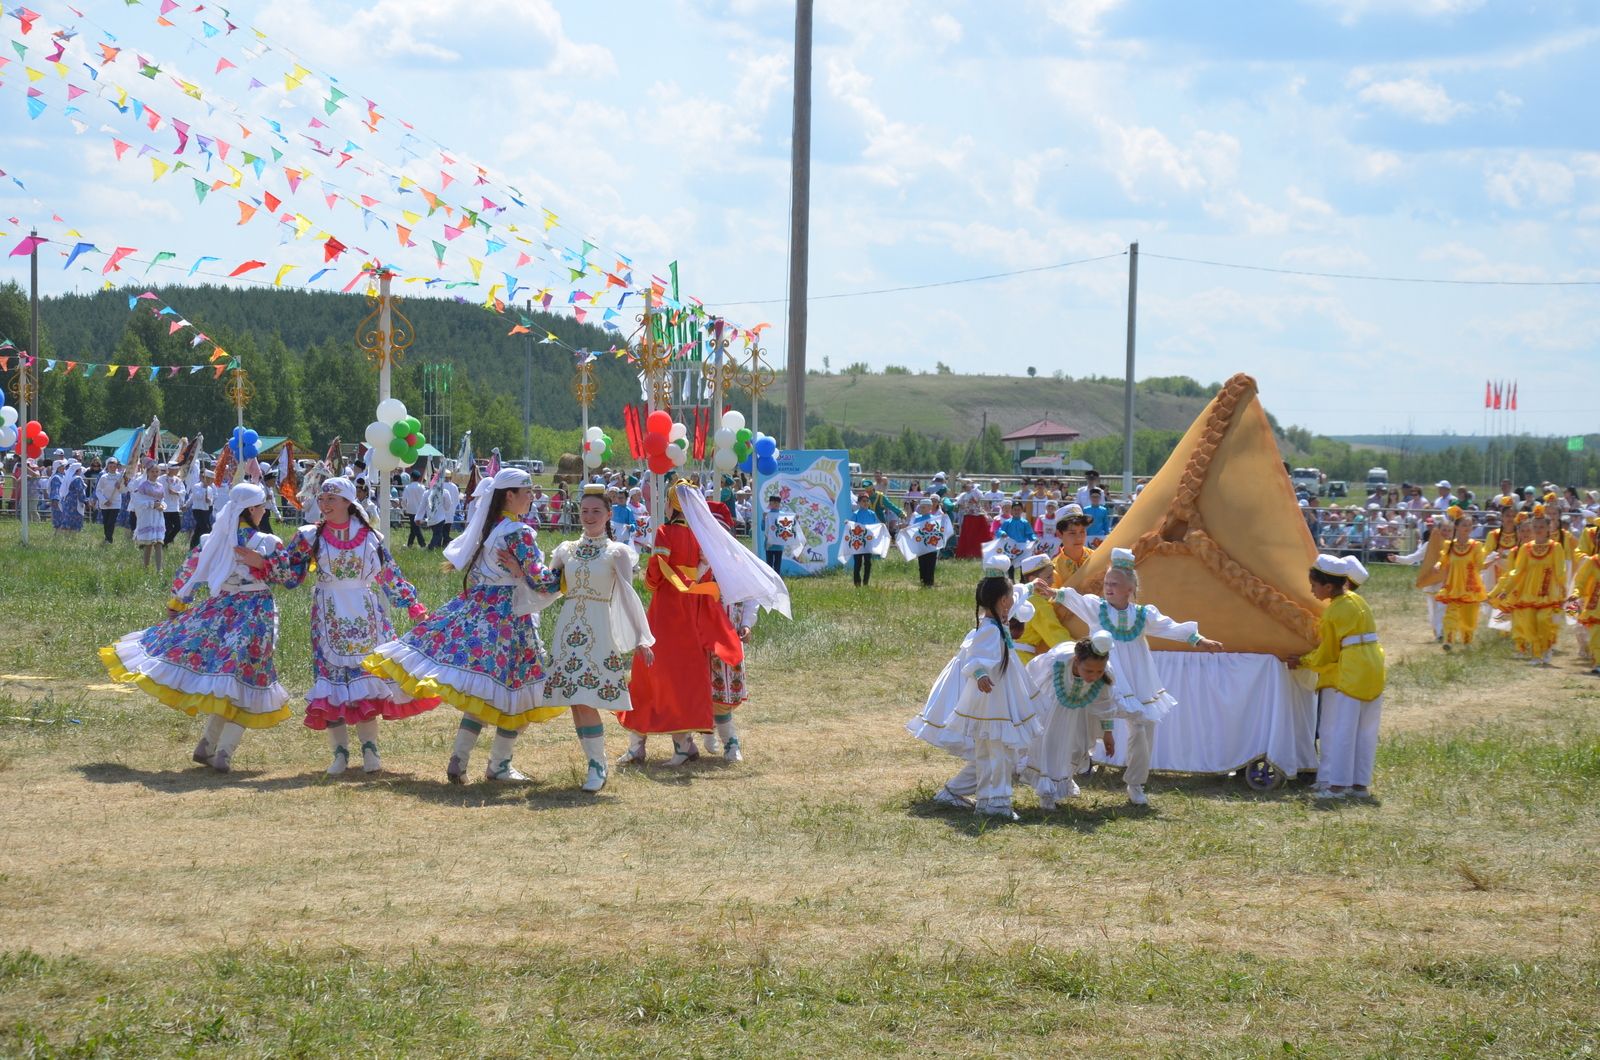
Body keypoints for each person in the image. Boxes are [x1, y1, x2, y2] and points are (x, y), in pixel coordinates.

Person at [366, 468, 562, 783]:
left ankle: (459, 757)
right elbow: (541, 582)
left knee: (484, 693)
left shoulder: (492, 528)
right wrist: (565, 570)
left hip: (480, 612)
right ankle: (499, 765)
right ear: (509, 496)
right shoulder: (519, 532)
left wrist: (517, 573)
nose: (532, 496)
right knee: (519, 694)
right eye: (526, 491)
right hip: (510, 619)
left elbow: (481, 577)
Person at [98, 482, 294, 772]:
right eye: (262, 505)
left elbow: (190, 572)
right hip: (255, 612)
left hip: (221, 609)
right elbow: (287, 576)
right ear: (251, 509)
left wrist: (177, 604)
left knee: (228, 678)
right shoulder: (267, 542)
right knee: (251, 678)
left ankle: (207, 744)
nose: (264, 510)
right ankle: (224, 752)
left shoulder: (214, 539)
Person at [276, 478, 440, 776]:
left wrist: (413, 605)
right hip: (327, 612)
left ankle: (370, 749)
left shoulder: (370, 537)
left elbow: (390, 574)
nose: (324, 504)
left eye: (331, 499)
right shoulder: (309, 536)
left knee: (367, 680)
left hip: (366, 613)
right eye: (322, 499)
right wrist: (263, 562)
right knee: (330, 681)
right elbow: (289, 575)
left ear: (348, 502)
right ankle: (339, 752)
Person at [620, 480, 789, 767]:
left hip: (668, 609)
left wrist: (658, 580)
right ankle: (681, 743)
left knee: (651, 671)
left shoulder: (665, 532)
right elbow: (705, 577)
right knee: (682, 677)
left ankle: (652, 745)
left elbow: (654, 577)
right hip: (695, 609)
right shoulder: (705, 540)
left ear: (671, 503)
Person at [1040, 548, 1224, 806]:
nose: (1109, 588)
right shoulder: (1097, 608)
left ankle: (1136, 783)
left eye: (1115, 584)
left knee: (1142, 728)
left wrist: (1198, 640)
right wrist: (1053, 593)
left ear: (1130, 588)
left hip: (1136, 679)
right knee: (1080, 725)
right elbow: (1073, 598)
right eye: (1106, 583)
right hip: (1101, 677)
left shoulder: (1142, 614)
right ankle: (1064, 775)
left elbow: (1168, 626)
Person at [536, 486, 656, 792]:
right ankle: (595, 763)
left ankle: (597, 766)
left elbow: (628, 596)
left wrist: (642, 637)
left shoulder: (618, 552)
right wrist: (518, 573)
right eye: (585, 511)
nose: (589, 517)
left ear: (608, 515)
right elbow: (547, 586)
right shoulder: (565, 550)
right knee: (575, 701)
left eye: (596, 512)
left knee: (586, 698)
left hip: (598, 627)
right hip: (568, 628)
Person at [907, 559, 1044, 821]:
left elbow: (1017, 594)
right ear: (1003, 601)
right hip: (994, 701)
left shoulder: (997, 622)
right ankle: (997, 804)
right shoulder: (990, 631)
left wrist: (1032, 587)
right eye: (1009, 598)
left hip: (1000, 697)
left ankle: (988, 801)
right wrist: (980, 674)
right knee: (999, 752)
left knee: (994, 751)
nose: (1013, 601)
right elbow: (975, 657)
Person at [1287, 555, 1386, 800]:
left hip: (1351, 671)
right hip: (1373, 667)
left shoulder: (1333, 612)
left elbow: (1328, 652)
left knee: (1340, 729)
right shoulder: (1357, 600)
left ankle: (1337, 786)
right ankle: (1359, 785)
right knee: (1365, 729)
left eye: (1314, 585)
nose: (1312, 590)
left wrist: (1302, 661)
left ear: (1328, 586)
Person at [1019, 632, 1117, 809]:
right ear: (1077, 661)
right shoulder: (1059, 660)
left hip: (1080, 713)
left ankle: (1065, 779)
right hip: (1052, 711)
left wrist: (1108, 733)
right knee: (1049, 746)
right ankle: (1046, 792)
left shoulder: (1105, 673)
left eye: (1099, 671)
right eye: (1088, 670)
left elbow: (1105, 703)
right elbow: (1034, 671)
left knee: (1076, 747)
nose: (1094, 675)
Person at [1488, 507, 1568, 666]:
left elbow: (1560, 570)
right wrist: (1506, 590)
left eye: (1542, 527)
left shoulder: (1555, 547)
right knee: (1529, 623)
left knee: (1543, 620)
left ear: (1548, 528)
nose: (1538, 530)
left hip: (1547, 592)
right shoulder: (1526, 548)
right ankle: (1536, 654)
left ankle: (1546, 648)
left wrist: (1563, 590)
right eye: (1535, 527)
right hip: (1528, 592)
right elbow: (1517, 571)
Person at [1429, 507, 1487, 650]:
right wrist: (1437, 565)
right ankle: (1448, 641)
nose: (1467, 528)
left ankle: (1467, 642)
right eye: (1464, 525)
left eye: (1469, 525)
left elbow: (1480, 565)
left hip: (1470, 586)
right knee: (1451, 614)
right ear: (1457, 527)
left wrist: (1492, 561)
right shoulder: (1450, 545)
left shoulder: (1476, 546)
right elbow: (1443, 560)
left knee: (1469, 616)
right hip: (1454, 585)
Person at [129, 462, 169, 571]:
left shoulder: (160, 486)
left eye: (157, 471)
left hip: (158, 516)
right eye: (153, 472)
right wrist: (151, 504)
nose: (155, 474)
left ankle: (159, 569)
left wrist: (162, 506)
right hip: (148, 516)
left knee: (159, 543)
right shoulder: (143, 486)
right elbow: (138, 502)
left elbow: (163, 501)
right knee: (149, 544)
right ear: (148, 472)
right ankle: (146, 568)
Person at [1050, 508, 1094, 587]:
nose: (1079, 538)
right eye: (1072, 533)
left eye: (1082, 532)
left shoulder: (1096, 557)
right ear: (1059, 534)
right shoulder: (1054, 568)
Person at [849, 492, 881, 588]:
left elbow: (876, 526)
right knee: (858, 563)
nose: (866, 503)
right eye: (863, 501)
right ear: (859, 502)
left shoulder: (872, 514)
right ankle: (857, 584)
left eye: (867, 501)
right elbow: (851, 527)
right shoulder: (855, 514)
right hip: (858, 543)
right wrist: (848, 523)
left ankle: (866, 583)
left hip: (868, 543)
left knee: (868, 563)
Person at [95, 458, 125, 546]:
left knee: (111, 521)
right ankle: (106, 537)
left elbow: (124, 490)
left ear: (116, 467)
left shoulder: (120, 477)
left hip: (115, 503)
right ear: (107, 466)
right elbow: (98, 490)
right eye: (110, 466)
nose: (112, 468)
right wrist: (104, 500)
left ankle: (109, 539)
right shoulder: (104, 477)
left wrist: (120, 487)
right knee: (106, 521)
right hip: (105, 503)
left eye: (114, 466)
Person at [187, 469, 215, 550]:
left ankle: (193, 546)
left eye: (211, 479)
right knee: (205, 528)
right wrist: (204, 491)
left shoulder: (210, 489)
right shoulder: (196, 486)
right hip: (198, 510)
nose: (209, 481)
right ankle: (204, 545)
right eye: (208, 479)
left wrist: (209, 501)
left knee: (198, 529)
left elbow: (211, 500)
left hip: (206, 511)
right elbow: (196, 496)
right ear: (203, 478)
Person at [160, 464, 188, 546]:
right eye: (176, 469)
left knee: (177, 527)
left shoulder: (178, 480)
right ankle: (164, 544)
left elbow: (183, 491)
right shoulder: (161, 479)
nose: (177, 470)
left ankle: (165, 542)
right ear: (170, 469)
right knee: (167, 527)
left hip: (174, 507)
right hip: (165, 506)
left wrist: (175, 493)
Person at [401, 470, 427, 548]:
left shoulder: (408, 487)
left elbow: (404, 499)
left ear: (411, 478)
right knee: (414, 528)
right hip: (420, 510)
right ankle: (409, 544)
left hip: (411, 510)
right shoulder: (422, 487)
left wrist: (405, 507)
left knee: (415, 528)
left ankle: (422, 544)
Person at [761, 492, 787, 573]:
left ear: (779, 504)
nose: (775, 504)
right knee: (769, 565)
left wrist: (795, 519)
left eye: (777, 502)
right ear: (770, 503)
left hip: (779, 544)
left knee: (777, 565)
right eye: (773, 502)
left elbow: (787, 527)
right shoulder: (767, 514)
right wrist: (763, 518)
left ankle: (777, 581)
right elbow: (763, 528)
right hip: (769, 544)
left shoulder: (783, 515)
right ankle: (769, 581)